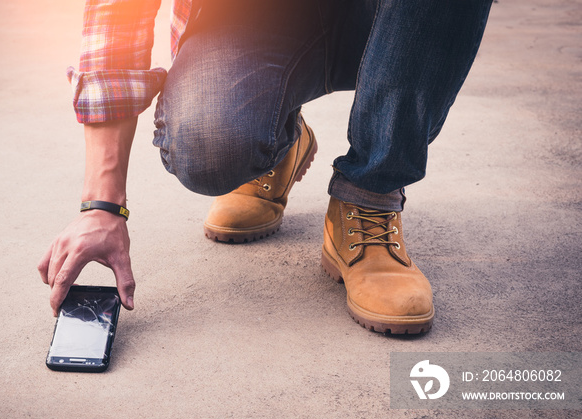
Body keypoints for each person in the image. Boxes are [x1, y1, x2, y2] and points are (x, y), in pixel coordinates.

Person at [38, 0, 493, 334]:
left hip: (402, 17)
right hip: (261, 15)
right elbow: (118, 12)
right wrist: (101, 206)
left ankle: (370, 196)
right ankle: (276, 144)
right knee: (206, 145)